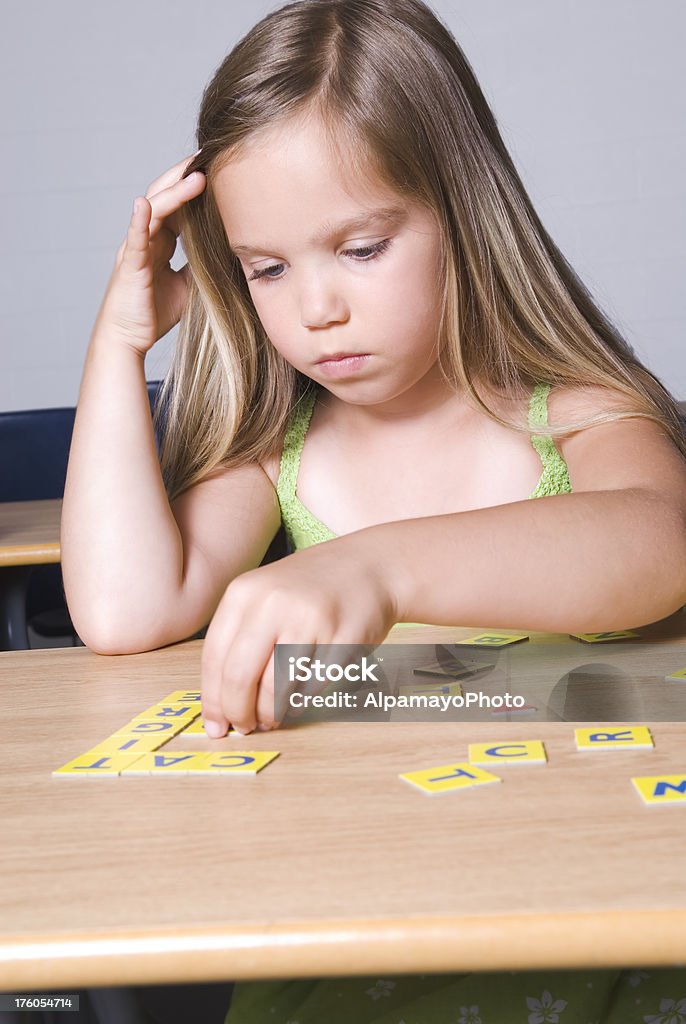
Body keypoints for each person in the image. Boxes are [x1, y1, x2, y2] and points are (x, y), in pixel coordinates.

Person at [61, 0, 686, 1020]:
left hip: (591, 891)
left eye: (358, 248)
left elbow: (654, 540)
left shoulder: (576, 412)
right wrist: (119, 340)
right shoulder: (281, 450)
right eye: (267, 268)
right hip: (360, 897)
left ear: (461, 213)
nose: (315, 308)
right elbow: (127, 609)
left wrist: (373, 567)